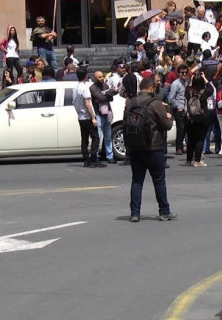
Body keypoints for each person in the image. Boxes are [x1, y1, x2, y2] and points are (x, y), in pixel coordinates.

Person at [126, 77, 177, 222]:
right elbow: (167, 125)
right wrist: (168, 115)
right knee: (159, 181)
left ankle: (135, 213)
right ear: (152, 88)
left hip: (135, 146)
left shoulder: (130, 102)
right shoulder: (155, 103)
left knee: (137, 181)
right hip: (154, 146)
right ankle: (164, 211)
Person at [73, 67, 105, 168]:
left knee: (84, 139)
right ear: (86, 76)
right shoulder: (84, 88)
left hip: (81, 117)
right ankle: (93, 159)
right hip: (87, 116)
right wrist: (93, 118)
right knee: (95, 138)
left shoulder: (75, 89)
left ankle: (86, 159)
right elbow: (88, 104)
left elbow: (75, 103)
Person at [184, 72, 214, 167]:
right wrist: (204, 78)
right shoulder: (205, 92)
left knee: (191, 139)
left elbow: (187, 88)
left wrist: (191, 80)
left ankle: (188, 160)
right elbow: (211, 88)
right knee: (200, 139)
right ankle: (197, 160)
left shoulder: (189, 91)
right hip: (202, 115)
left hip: (190, 117)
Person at [90, 70, 117, 164]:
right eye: (99, 77)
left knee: (108, 136)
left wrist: (106, 94)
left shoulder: (105, 86)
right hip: (98, 114)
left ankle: (110, 156)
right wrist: (107, 94)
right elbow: (100, 98)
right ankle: (95, 156)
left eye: (102, 76)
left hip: (107, 112)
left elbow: (111, 98)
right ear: (95, 78)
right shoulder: (93, 87)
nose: (102, 78)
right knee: (97, 136)